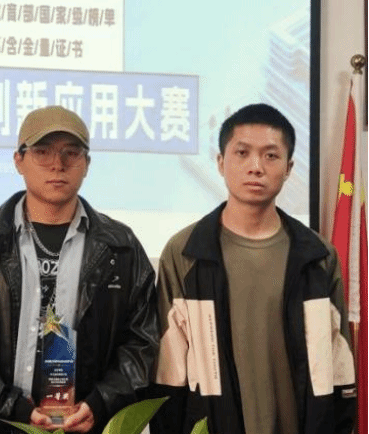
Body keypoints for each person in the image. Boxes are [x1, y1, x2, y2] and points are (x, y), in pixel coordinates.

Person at [0, 105, 159, 434]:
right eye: (42, 152)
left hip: (86, 426)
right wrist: (13, 410)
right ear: (18, 160)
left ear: (87, 164)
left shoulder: (121, 246)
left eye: (71, 152)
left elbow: (143, 344)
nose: (58, 164)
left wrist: (100, 404)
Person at [151, 103, 357, 434]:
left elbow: (340, 369)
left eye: (271, 156)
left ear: (289, 168)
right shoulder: (185, 253)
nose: (256, 167)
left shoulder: (318, 257)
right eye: (242, 153)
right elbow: (168, 374)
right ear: (221, 162)